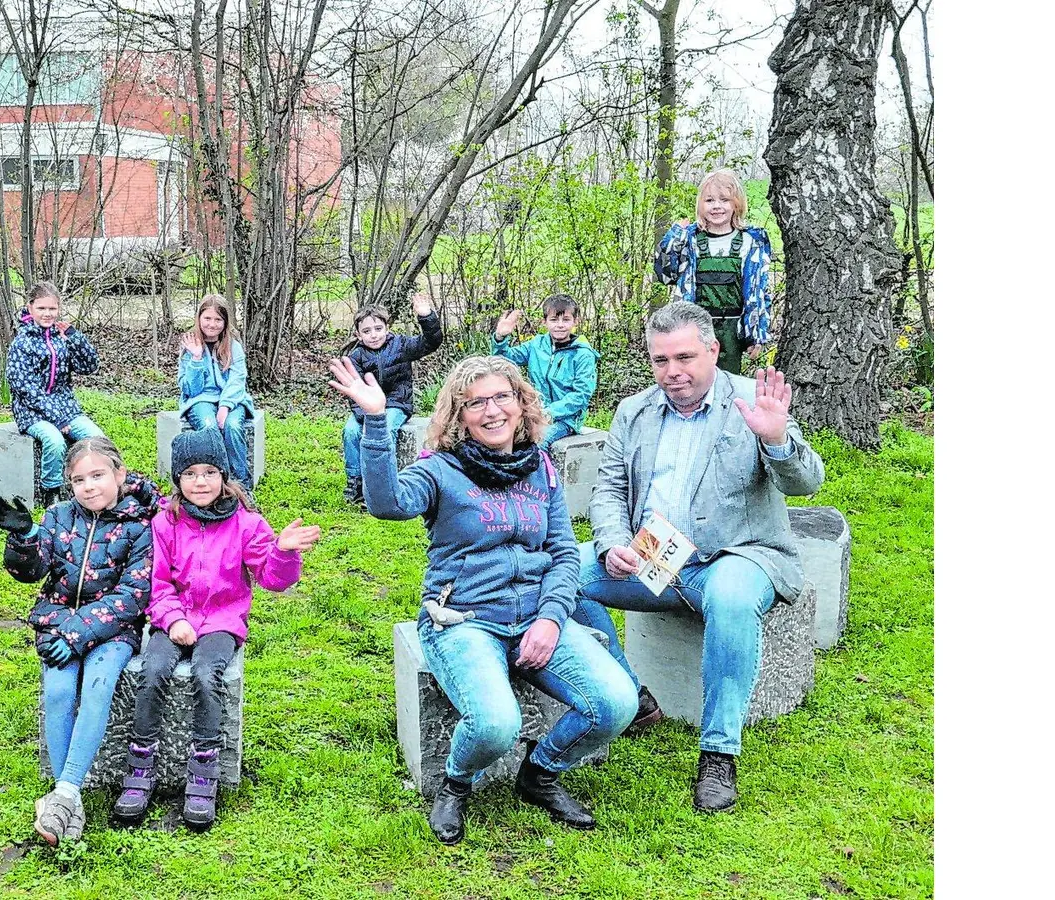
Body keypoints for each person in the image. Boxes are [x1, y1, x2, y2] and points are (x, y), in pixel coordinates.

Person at [327, 354, 637, 845]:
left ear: (521, 403)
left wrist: (552, 620)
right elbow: (387, 504)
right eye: (475, 403)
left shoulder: (542, 467)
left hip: (537, 616)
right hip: (463, 619)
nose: (491, 411)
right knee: (495, 724)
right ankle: (455, 784)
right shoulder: (440, 471)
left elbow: (561, 552)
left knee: (616, 703)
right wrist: (373, 421)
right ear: (458, 415)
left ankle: (540, 773)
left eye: (502, 397)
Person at [570, 301, 825, 813]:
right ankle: (634, 697)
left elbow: (806, 482)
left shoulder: (753, 401)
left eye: (685, 357)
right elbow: (610, 489)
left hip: (738, 553)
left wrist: (776, 440)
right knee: (562, 572)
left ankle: (718, 752)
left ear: (713, 350)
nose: (673, 372)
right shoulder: (634, 411)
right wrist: (613, 541)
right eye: (661, 360)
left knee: (730, 598)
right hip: (657, 554)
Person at [111, 428, 320, 832]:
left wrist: (284, 551)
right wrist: (172, 619)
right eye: (190, 474)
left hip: (222, 622)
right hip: (172, 619)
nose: (200, 482)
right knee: (152, 672)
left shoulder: (248, 524)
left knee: (208, 676)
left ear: (225, 476)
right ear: (177, 480)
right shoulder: (164, 523)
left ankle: (203, 769)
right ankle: (140, 764)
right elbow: (157, 583)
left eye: (209, 472)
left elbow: (272, 578)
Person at [0, 437, 160, 847]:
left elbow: (134, 594)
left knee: (98, 689)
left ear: (119, 474)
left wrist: (76, 634)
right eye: (78, 479)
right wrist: (26, 538)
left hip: (112, 631)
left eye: (98, 475)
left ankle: (63, 793)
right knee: (61, 691)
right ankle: (69, 796)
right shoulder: (59, 516)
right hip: (58, 621)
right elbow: (32, 572)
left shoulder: (140, 525)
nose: (88, 486)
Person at [653, 168, 773, 375]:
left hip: (732, 330)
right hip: (693, 328)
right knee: (692, 377)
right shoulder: (689, 240)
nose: (717, 206)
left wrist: (757, 335)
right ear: (700, 204)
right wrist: (674, 236)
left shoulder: (750, 242)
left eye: (724, 200)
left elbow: (759, 292)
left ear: (736, 203)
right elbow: (665, 274)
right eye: (709, 200)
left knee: (728, 383)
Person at [6, 282, 106, 507]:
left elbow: (89, 366)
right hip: (31, 411)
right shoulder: (22, 342)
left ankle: (95, 482)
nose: (47, 314)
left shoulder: (61, 337)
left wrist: (74, 337)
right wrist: (55, 418)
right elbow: (24, 387)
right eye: (42, 308)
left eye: (52, 308)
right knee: (54, 440)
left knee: (97, 438)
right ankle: (51, 490)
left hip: (65, 406)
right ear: (30, 308)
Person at [340, 292, 443, 505]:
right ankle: (356, 480)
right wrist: (366, 417)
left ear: (387, 328)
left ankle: (387, 476)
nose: (374, 335)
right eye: (367, 331)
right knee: (350, 431)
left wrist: (426, 317)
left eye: (378, 329)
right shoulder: (356, 357)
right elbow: (354, 391)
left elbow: (431, 342)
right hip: (366, 408)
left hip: (396, 403)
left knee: (386, 429)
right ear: (358, 335)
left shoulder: (401, 345)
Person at [490, 293, 599, 451]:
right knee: (502, 435)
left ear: (576, 321)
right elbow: (502, 361)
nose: (560, 325)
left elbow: (581, 395)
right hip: (534, 413)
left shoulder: (583, 354)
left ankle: (543, 475)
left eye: (566, 320)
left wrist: (549, 413)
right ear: (545, 322)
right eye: (554, 320)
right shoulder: (537, 345)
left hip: (565, 419)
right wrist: (501, 337)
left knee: (538, 442)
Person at [177, 294, 257, 493]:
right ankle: (218, 482)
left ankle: (242, 485)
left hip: (232, 400)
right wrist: (196, 358)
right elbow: (190, 389)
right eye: (207, 318)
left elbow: (237, 380)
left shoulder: (234, 347)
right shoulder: (189, 345)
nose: (212, 324)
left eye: (218, 320)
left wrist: (225, 406)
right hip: (200, 400)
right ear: (199, 318)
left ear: (225, 322)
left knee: (233, 425)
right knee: (209, 427)